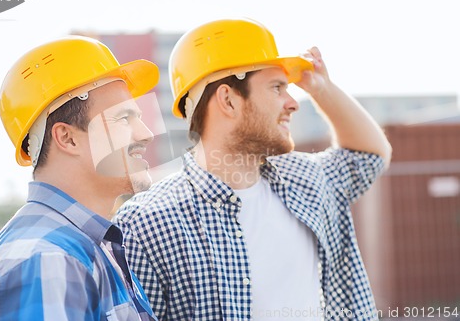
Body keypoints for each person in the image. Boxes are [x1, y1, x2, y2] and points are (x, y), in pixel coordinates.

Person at [113, 18, 392, 321]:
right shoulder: (146, 224)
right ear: (229, 100)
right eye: (277, 88)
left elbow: (370, 156)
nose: (292, 103)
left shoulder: (305, 178)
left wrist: (322, 89)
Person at [0, 36, 160, 321]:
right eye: (123, 119)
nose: (146, 133)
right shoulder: (48, 261)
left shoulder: (86, 248)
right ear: (67, 138)